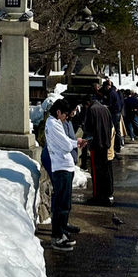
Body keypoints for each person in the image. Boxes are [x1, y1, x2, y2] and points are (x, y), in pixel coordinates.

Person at [45, 98, 86, 251]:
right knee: (61, 204)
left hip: (65, 166)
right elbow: (65, 145)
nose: (66, 118)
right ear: (58, 112)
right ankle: (57, 236)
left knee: (65, 203)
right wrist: (73, 144)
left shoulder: (56, 123)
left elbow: (68, 142)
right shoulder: (52, 124)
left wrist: (77, 142)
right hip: (61, 167)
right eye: (65, 115)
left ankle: (62, 231)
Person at [83, 92, 115, 204]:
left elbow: (88, 129)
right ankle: (107, 194)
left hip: (96, 144)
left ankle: (97, 196)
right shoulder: (105, 109)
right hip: (106, 143)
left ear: (87, 103)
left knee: (96, 172)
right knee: (105, 170)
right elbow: (111, 125)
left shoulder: (91, 110)